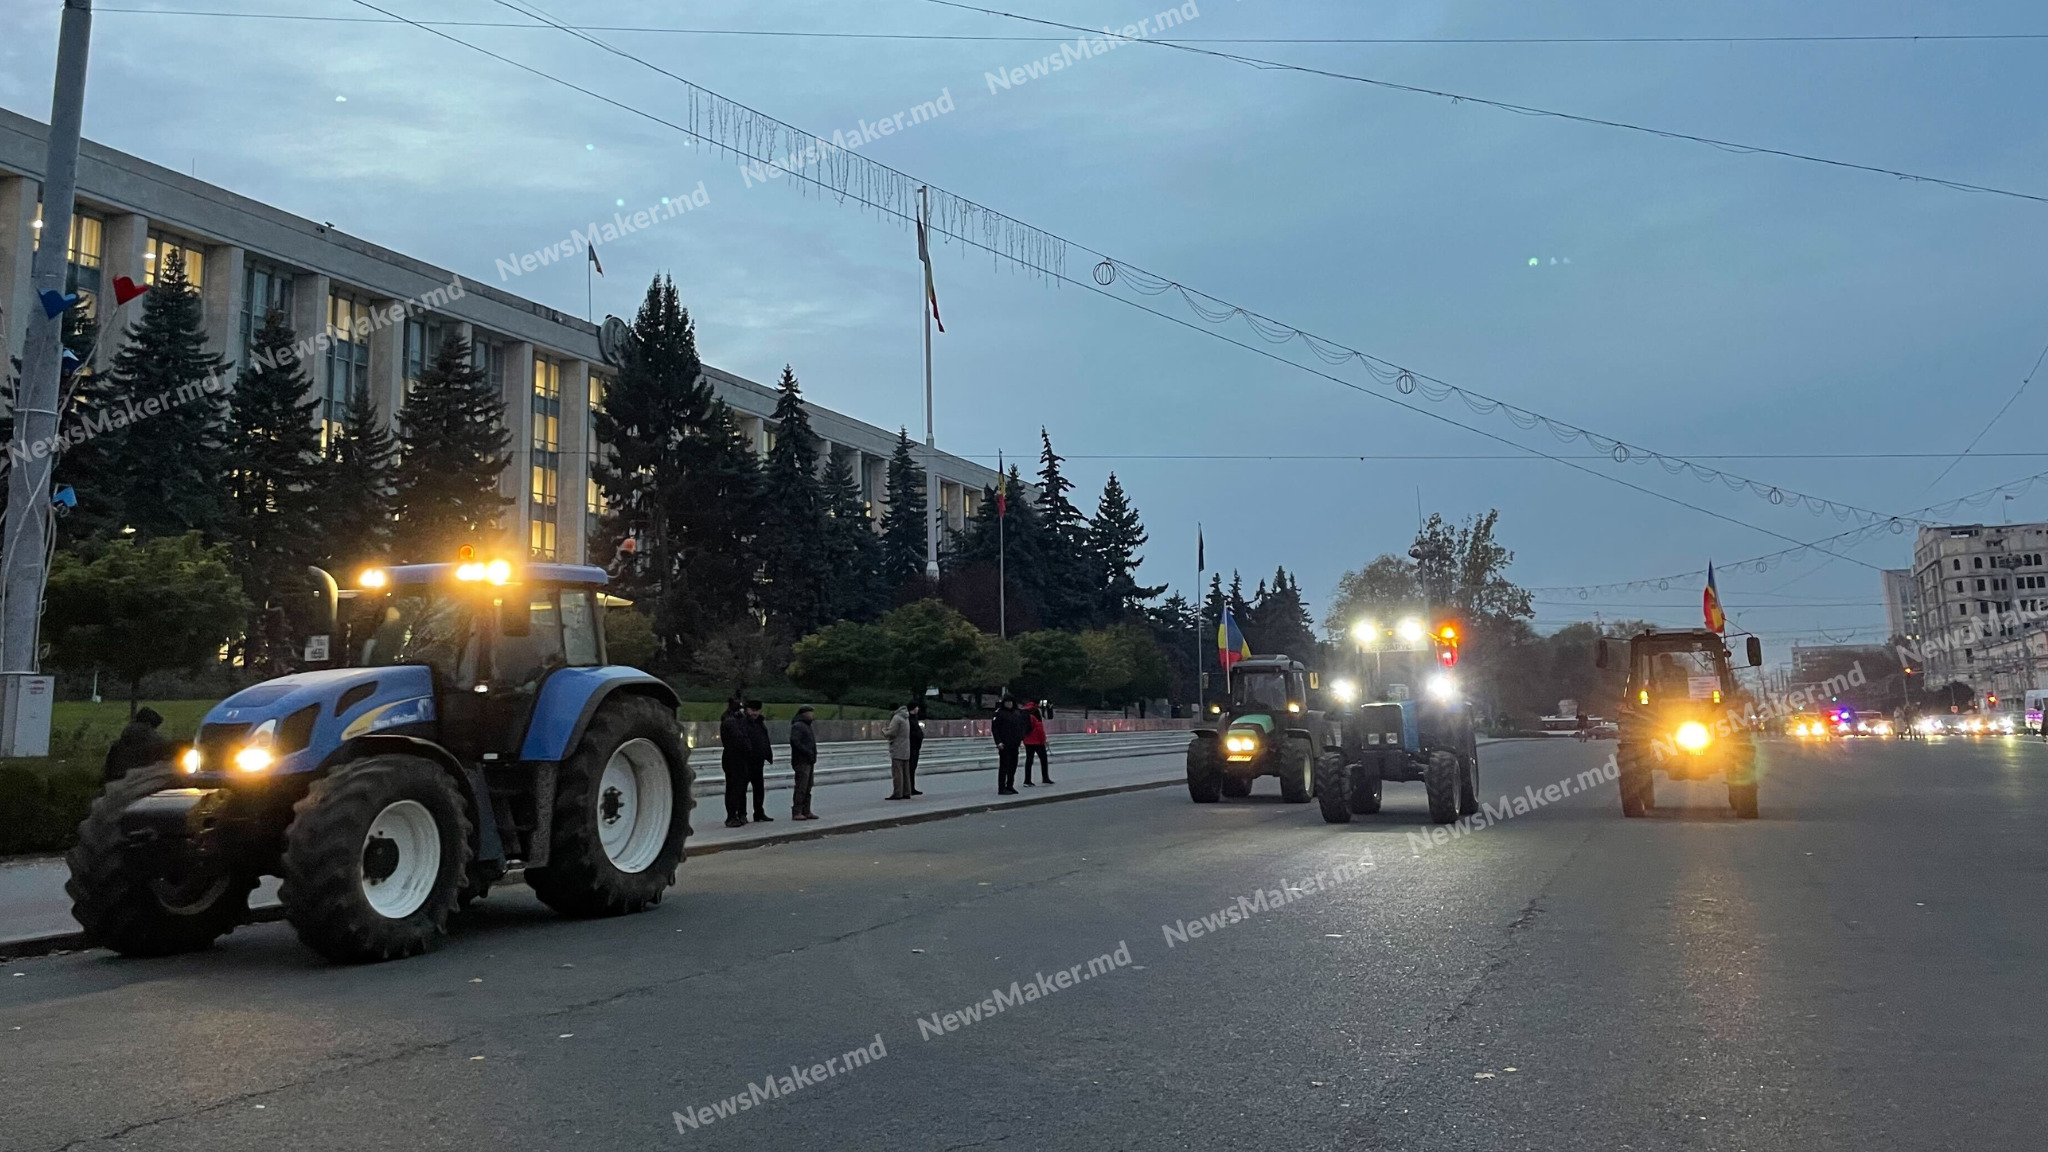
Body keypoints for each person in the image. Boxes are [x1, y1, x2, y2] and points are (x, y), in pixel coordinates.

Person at [103, 707, 171, 783]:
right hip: (138, 782)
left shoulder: (120, 743)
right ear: (149, 724)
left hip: (116, 782)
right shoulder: (153, 741)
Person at [742, 700, 775, 822]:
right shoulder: (743, 723)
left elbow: (764, 740)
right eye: (752, 710)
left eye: (757, 710)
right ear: (747, 710)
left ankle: (759, 812)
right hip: (746, 761)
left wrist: (767, 754)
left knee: (759, 789)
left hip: (758, 760)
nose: (755, 713)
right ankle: (742, 814)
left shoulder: (760, 723)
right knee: (742, 789)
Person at [992, 696, 1030, 794]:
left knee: (1013, 766)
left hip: (1014, 743)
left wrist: (1021, 738)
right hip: (1004, 743)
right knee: (1004, 766)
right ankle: (1001, 787)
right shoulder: (999, 713)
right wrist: (998, 742)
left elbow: (1022, 726)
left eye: (1011, 702)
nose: (1009, 704)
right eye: (1007, 702)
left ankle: (1010, 785)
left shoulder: (1016, 713)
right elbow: (995, 729)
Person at [789, 705, 820, 821]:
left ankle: (806, 810)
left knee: (808, 786)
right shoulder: (798, 726)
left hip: (808, 760)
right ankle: (797, 811)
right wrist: (807, 752)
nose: (812, 715)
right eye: (810, 712)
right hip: (802, 760)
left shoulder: (806, 726)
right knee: (801, 786)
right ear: (804, 714)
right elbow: (795, 741)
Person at [884, 701, 915, 800]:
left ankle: (898, 793)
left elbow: (892, 733)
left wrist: (884, 731)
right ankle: (907, 792)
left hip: (897, 747)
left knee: (897, 772)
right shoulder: (905, 717)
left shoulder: (896, 718)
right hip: (906, 747)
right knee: (906, 772)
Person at [1023, 699, 1052, 785]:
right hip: (1037, 741)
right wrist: (1044, 741)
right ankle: (1045, 777)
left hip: (1027, 741)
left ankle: (1027, 780)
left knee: (1029, 760)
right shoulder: (1035, 716)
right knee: (1043, 759)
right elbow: (1040, 730)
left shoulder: (1025, 714)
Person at [906, 700, 927, 796]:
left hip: (915, 747)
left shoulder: (914, 718)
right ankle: (909, 787)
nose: (918, 709)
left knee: (913, 768)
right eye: (916, 707)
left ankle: (912, 787)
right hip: (912, 747)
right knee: (910, 768)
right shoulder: (909, 719)